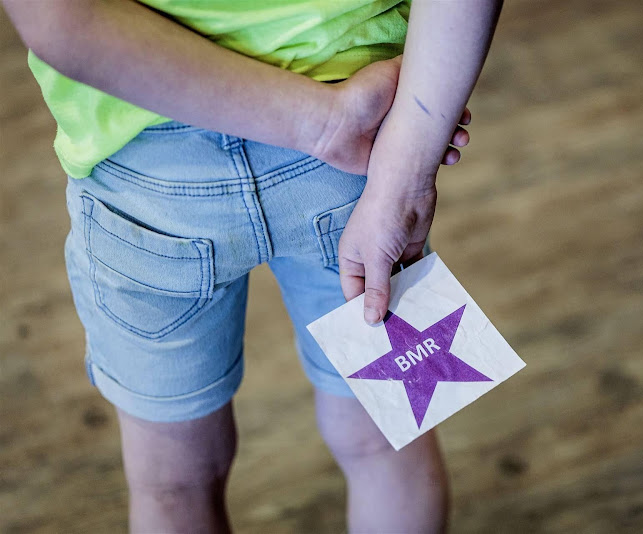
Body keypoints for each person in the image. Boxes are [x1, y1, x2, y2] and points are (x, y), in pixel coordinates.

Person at [3, 0, 502, 531]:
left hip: (147, 170)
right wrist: (408, 165)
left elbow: (56, 20)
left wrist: (323, 125)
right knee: (389, 437)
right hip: (360, 135)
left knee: (173, 484)